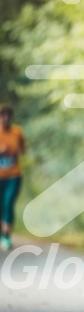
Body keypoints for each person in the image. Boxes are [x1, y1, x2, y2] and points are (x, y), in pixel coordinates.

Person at [0, 104, 25, 250]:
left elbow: (23, 149)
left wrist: (15, 150)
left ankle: (6, 237)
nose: (4, 119)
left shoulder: (17, 132)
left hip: (14, 175)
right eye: (1, 116)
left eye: (7, 116)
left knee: (8, 203)